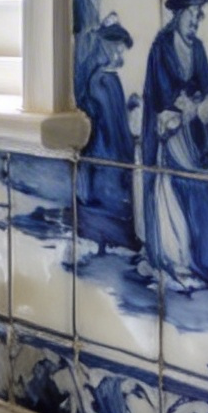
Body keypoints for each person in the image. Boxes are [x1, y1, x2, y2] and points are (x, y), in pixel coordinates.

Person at [140, 0, 208, 289]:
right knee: (179, 192)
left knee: (205, 187)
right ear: (178, 13)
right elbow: (160, 96)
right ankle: (177, 261)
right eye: (192, 13)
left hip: (193, 135)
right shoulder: (161, 47)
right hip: (170, 136)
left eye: (199, 14)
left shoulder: (198, 49)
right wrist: (187, 105)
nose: (196, 20)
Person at [75, 14, 138, 252]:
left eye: (121, 49)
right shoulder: (101, 81)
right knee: (109, 195)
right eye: (117, 48)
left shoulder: (111, 79)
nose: (120, 53)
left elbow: (117, 117)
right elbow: (109, 122)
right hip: (105, 150)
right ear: (107, 47)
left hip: (112, 149)